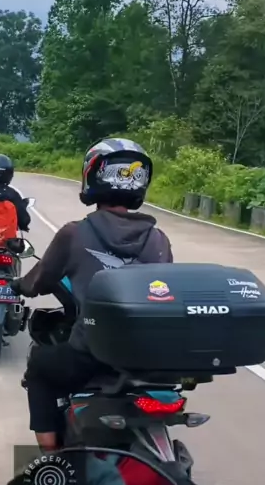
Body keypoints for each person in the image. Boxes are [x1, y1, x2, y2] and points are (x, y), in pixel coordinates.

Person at [11, 137, 173, 452]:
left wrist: (19, 285)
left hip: (92, 355)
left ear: (93, 175)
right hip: (147, 360)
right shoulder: (159, 239)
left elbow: (38, 281)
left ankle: (51, 458)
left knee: (40, 368)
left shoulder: (75, 233)